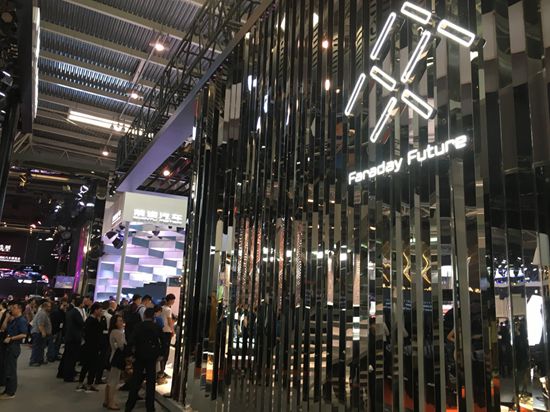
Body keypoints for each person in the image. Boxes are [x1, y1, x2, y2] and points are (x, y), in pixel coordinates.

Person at [125, 308, 162, 412]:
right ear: (153, 316)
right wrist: (161, 354)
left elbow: (131, 341)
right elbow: (163, 341)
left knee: (136, 381)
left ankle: (129, 406)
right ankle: (150, 408)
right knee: (151, 383)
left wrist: (129, 354)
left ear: (145, 315)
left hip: (139, 356)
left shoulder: (138, 326)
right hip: (152, 357)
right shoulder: (156, 327)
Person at [0, 301, 28, 400]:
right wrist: (6, 318)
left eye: (14, 307)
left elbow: (24, 334)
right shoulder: (13, 319)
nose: (12, 309)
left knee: (11, 370)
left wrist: (11, 338)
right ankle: (7, 390)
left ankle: (11, 392)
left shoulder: (21, 320)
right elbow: (3, 329)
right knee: (7, 369)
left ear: (20, 309)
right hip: (8, 346)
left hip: (13, 346)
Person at [58, 296, 86, 382]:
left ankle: (62, 373)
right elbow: (82, 323)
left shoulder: (71, 312)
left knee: (67, 356)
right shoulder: (76, 313)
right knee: (71, 358)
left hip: (69, 337)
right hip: (74, 338)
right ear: (81, 303)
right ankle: (69, 376)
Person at [77, 302, 103, 392]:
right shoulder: (94, 321)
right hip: (93, 346)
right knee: (92, 366)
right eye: (100, 310)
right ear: (95, 310)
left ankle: (81, 383)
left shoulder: (89, 320)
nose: (101, 312)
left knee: (86, 365)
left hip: (88, 345)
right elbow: (97, 334)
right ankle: (89, 384)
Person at [104, 314, 126, 410]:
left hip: (113, 357)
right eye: (119, 321)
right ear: (115, 323)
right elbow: (122, 346)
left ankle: (107, 400)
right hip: (117, 358)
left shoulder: (113, 331)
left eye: (122, 320)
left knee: (110, 380)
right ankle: (111, 402)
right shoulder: (118, 333)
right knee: (114, 381)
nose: (121, 322)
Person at [29, 300, 52, 366]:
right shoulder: (42, 313)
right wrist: (43, 332)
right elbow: (40, 324)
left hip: (39, 333)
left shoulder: (44, 313)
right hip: (38, 333)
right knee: (36, 348)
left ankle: (40, 359)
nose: (50, 308)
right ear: (45, 307)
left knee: (41, 348)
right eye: (49, 306)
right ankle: (33, 361)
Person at [159, 293, 175, 379]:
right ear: (170, 300)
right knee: (165, 352)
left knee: (161, 351)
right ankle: (162, 371)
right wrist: (172, 330)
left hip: (161, 331)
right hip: (167, 332)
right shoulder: (168, 309)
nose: (173, 302)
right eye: (173, 300)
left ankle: (160, 370)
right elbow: (169, 321)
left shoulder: (161, 308)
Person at [94, 301, 111, 385]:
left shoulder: (98, 317)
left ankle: (94, 376)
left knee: (97, 359)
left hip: (97, 340)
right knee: (102, 359)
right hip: (104, 340)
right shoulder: (108, 316)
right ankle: (97, 378)